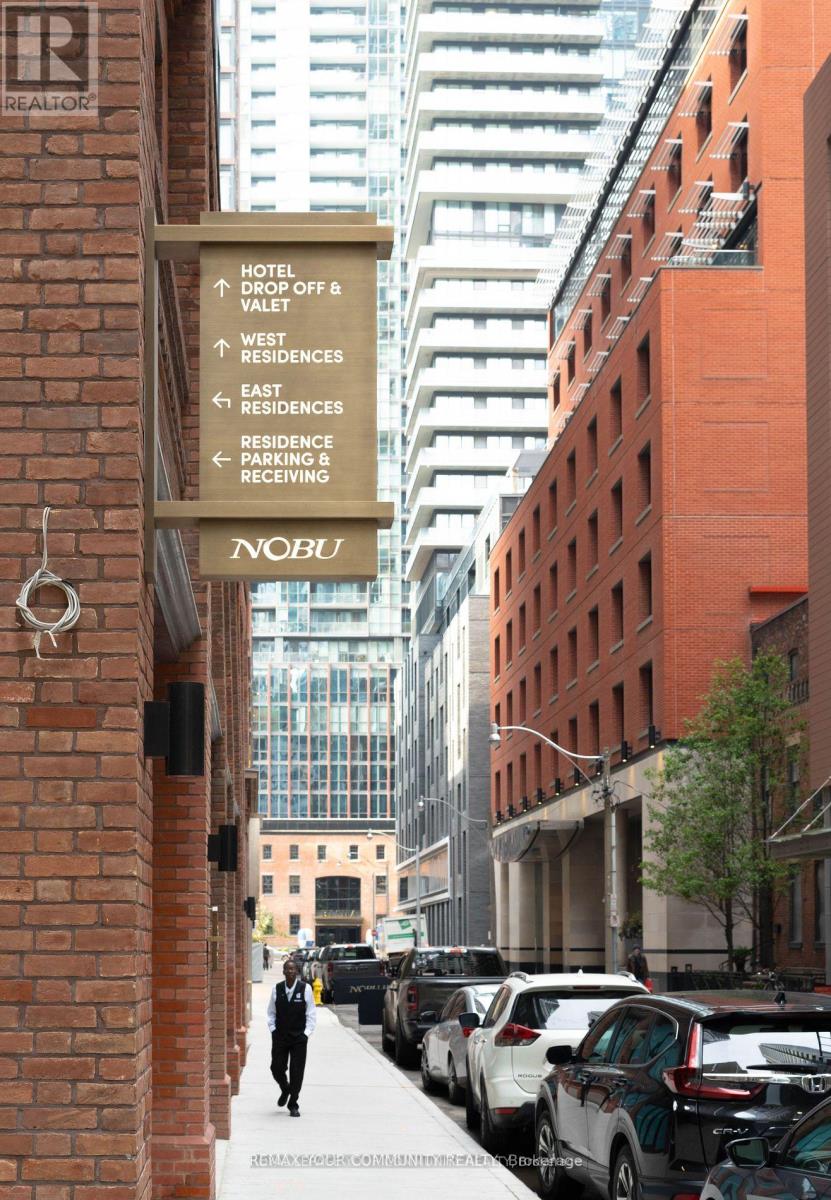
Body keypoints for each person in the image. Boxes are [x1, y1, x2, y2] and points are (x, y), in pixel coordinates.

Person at [267, 957, 316, 1116]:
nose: (290, 971)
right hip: (280, 1036)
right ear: (283, 971)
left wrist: (306, 1034)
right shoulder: (277, 989)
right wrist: (273, 1030)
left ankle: (293, 1103)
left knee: (297, 1072)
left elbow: (311, 1014)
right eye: (287, 969)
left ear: (297, 971)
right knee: (276, 1068)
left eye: (293, 969)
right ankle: (285, 1088)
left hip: (298, 1038)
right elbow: (271, 1012)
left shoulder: (305, 989)